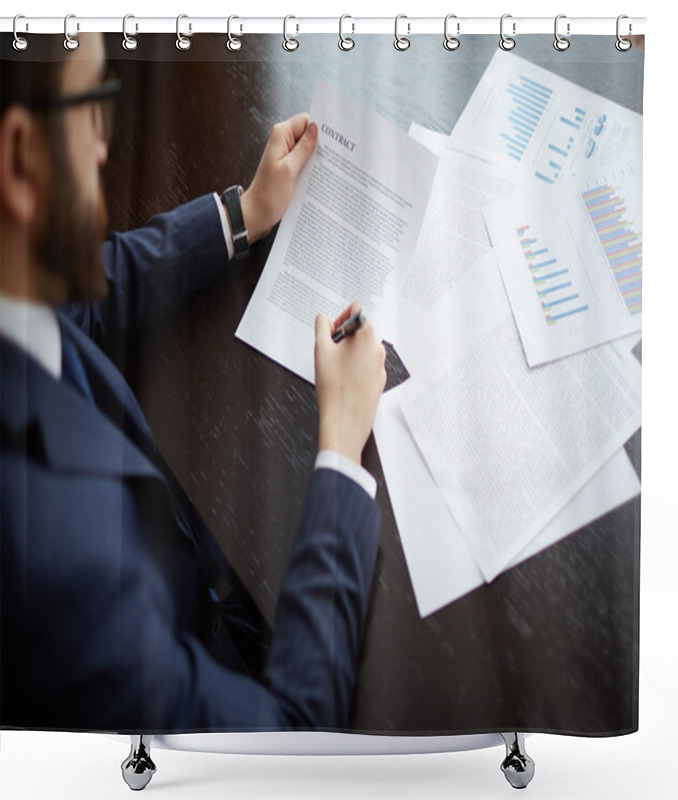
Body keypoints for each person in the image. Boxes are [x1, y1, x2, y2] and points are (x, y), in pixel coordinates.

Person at [0, 33, 387, 731]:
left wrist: (241, 215)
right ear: (21, 156)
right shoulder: (63, 580)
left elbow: (82, 301)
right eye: (93, 106)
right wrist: (340, 450)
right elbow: (291, 732)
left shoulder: (15, 290)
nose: (103, 147)